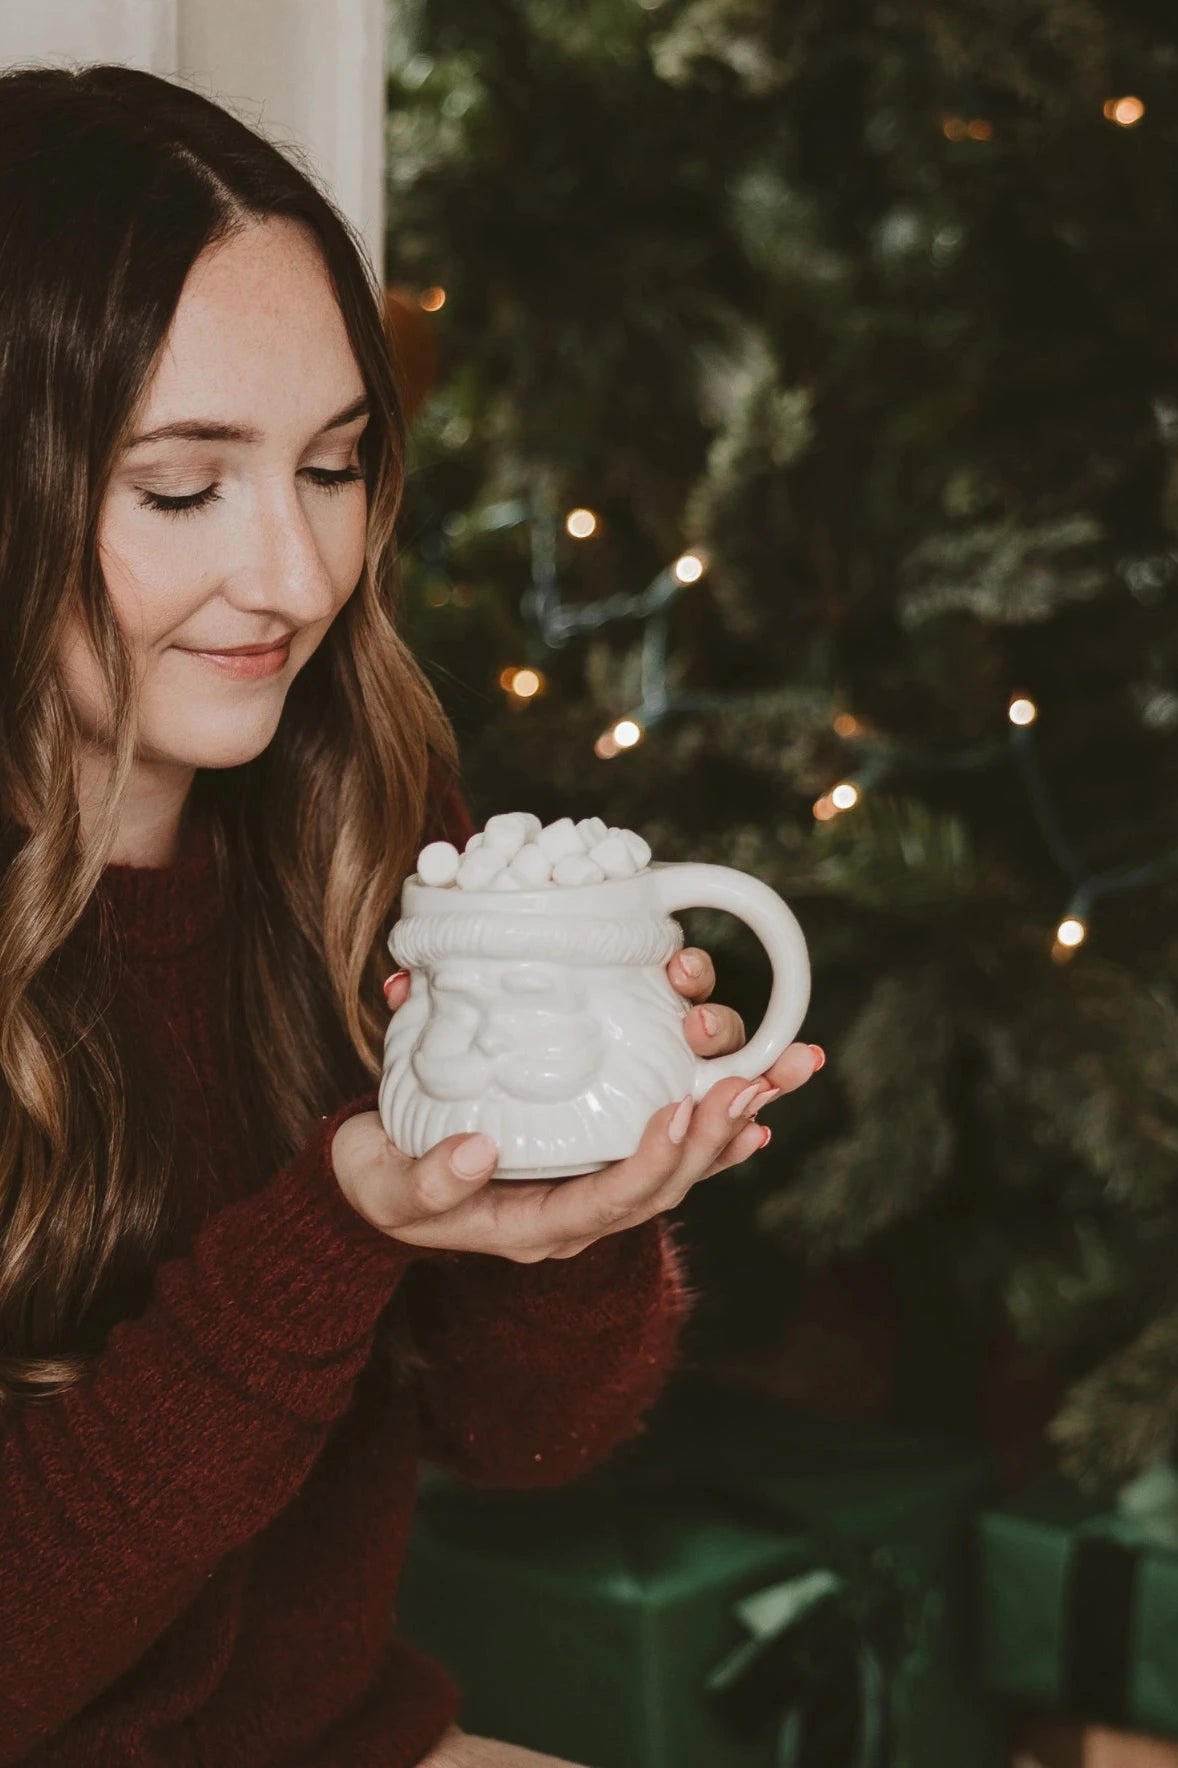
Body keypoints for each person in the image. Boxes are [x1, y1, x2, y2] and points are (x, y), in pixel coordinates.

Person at [0, 62, 823, 1767]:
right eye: (183, 488)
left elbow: (525, 1447)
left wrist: (565, 1218)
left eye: (335, 466)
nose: (300, 578)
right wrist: (334, 1228)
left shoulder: (364, 821)